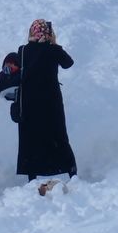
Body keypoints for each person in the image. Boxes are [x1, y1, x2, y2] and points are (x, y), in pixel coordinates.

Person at [14, 19, 77, 194]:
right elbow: (68, 63)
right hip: (51, 102)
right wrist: (54, 44)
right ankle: (71, 172)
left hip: (28, 103)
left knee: (30, 139)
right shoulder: (52, 50)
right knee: (58, 136)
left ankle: (32, 177)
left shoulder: (23, 51)